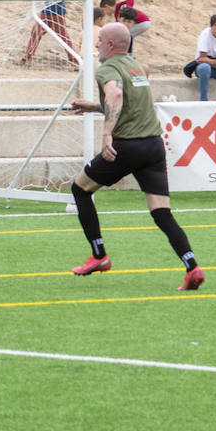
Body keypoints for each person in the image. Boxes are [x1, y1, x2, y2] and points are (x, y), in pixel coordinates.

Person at [67, 22, 204, 291]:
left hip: (127, 146)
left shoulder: (107, 68)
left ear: (110, 45)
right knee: (162, 213)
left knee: (80, 188)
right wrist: (95, 107)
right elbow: (125, 100)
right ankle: (192, 266)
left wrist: (107, 134)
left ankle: (99, 256)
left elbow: (116, 93)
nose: (96, 45)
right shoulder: (136, 67)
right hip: (153, 146)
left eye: (100, 41)